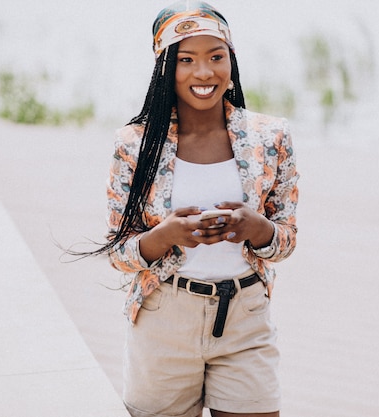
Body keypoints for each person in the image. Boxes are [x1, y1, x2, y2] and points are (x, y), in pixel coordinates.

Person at [102, 2, 299, 416]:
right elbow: (119, 253)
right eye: (186, 60)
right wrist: (166, 236)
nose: (204, 72)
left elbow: (285, 240)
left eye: (216, 56)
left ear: (232, 59)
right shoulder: (134, 144)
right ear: (165, 67)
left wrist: (257, 228)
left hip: (245, 314)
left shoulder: (270, 137)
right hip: (163, 318)